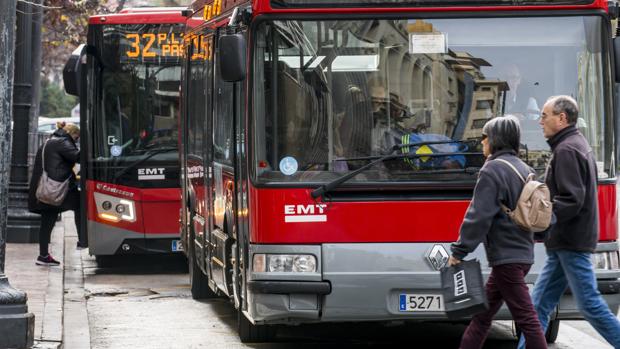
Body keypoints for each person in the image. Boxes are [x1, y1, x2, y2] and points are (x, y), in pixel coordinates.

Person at [517, 96, 620, 349]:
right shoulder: (573, 144)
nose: (540, 121)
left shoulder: (566, 150)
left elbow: (572, 199)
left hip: (570, 243)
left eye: (545, 115)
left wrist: (542, 219)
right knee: (538, 305)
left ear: (561, 118)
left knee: (589, 304)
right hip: (565, 243)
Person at [449, 115, 548, 349]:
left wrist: (459, 251)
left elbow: (478, 216)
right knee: (483, 316)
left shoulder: (492, 170)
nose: (482, 142)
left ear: (495, 139)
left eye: (485, 137)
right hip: (521, 254)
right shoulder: (525, 169)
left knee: (527, 319)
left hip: (507, 258)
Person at [28, 122, 85, 266]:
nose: (76, 141)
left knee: (47, 223)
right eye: (77, 138)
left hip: (47, 190)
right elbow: (78, 156)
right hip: (58, 189)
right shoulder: (63, 142)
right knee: (80, 204)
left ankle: (43, 255)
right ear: (72, 134)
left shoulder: (49, 141)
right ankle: (82, 240)